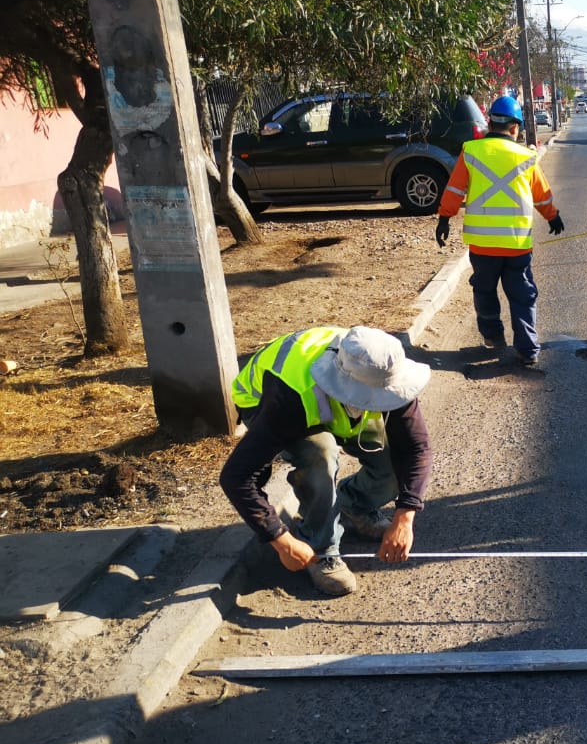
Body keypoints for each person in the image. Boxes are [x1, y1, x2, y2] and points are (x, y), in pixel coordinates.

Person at [220, 325, 434, 595]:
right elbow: (237, 477)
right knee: (319, 455)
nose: (386, 401)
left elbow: (416, 448)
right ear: (347, 387)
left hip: (333, 401)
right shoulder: (291, 396)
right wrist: (281, 540)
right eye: (377, 398)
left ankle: (352, 505)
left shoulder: (383, 371)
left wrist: (405, 517)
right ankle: (319, 548)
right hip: (263, 401)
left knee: (392, 457)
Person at [435, 95, 564, 366]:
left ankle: (493, 338)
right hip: (517, 245)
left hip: (482, 247)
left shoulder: (470, 151)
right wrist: (552, 217)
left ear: (489, 122)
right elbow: (542, 196)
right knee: (522, 295)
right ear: (515, 128)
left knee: (484, 291)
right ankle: (528, 349)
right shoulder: (527, 156)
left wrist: (444, 218)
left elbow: (454, 191)